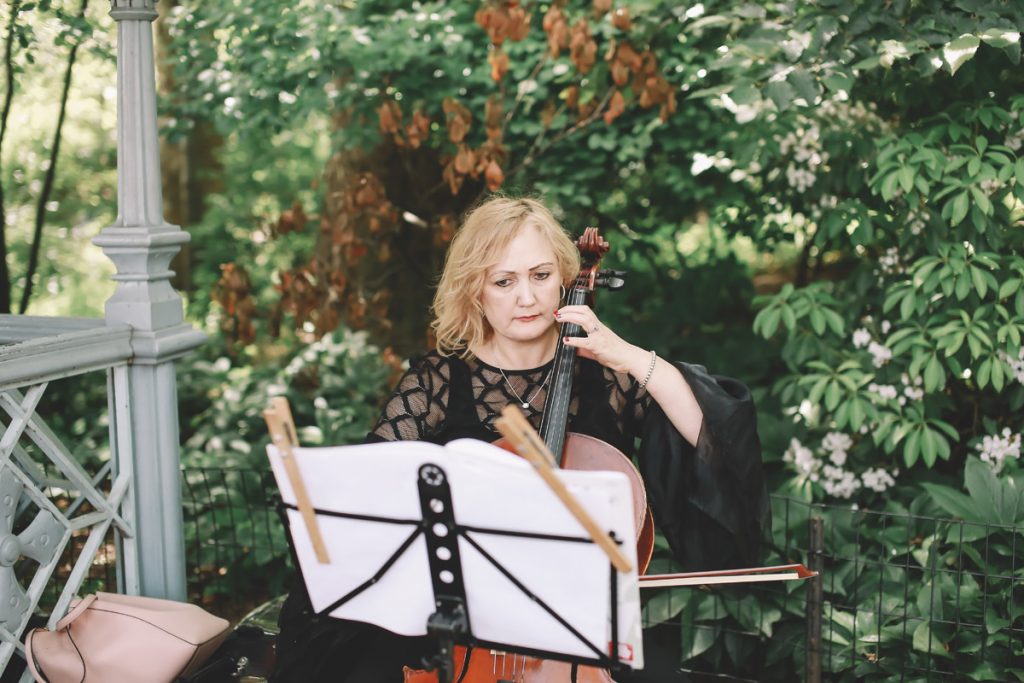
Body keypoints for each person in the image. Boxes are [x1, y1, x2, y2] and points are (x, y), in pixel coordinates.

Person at [271, 197, 768, 683]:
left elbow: (716, 440)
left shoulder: (605, 377)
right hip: (462, 630)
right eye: (503, 281)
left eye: (541, 275)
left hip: (581, 629)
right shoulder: (438, 382)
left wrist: (630, 357)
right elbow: (369, 492)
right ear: (475, 290)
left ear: (565, 278)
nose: (526, 298)